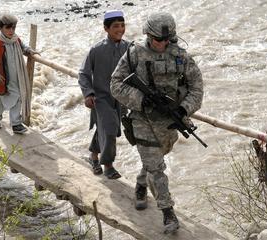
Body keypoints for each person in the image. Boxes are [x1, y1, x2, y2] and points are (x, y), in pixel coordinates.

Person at [110, 12, 203, 233]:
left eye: (164, 40)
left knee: (156, 159)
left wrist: (183, 109)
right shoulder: (134, 54)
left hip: (170, 121)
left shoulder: (181, 56)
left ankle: (141, 182)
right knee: (156, 166)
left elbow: (197, 88)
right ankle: (168, 212)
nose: (159, 44)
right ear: (148, 35)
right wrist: (142, 100)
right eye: (155, 39)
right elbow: (115, 84)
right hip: (142, 118)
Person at [78, 10, 129, 179]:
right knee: (110, 130)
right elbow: (84, 74)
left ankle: (93, 155)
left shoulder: (129, 48)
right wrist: (88, 94)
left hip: (121, 98)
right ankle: (108, 165)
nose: (120, 29)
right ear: (106, 28)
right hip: (101, 98)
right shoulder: (96, 50)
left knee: (106, 127)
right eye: (115, 26)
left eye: (122, 25)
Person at [0, 14, 37, 133]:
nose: (11, 31)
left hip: (15, 77)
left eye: (13, 28)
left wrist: (29, 50)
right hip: (1, 77)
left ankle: (16, 123)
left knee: (17, 96)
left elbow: (23, 47)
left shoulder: (15, 40)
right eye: (8, 28)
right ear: (1, 28)